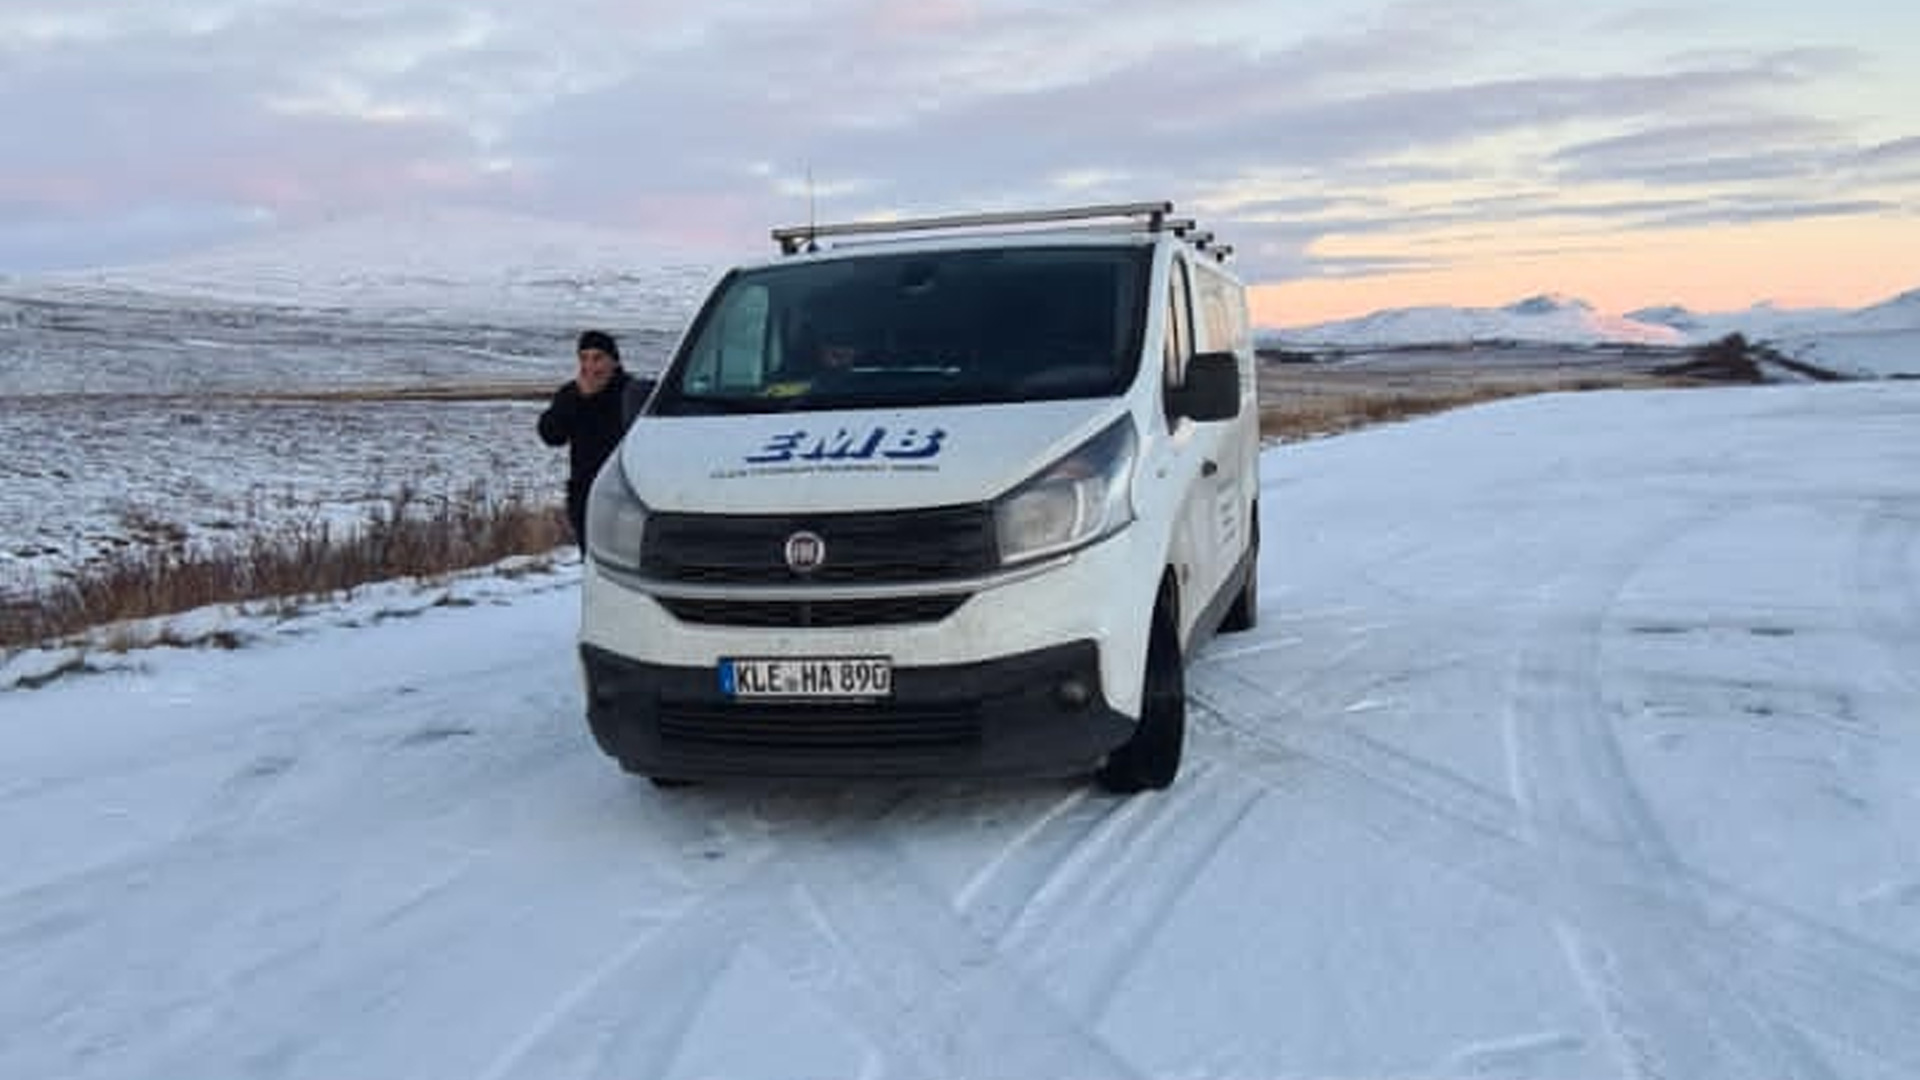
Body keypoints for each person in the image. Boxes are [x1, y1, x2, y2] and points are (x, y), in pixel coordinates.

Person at [538, 329, 642, 553]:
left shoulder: (632, 392)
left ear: (614, 361)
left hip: (625, 495)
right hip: (585, 495)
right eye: (584, 358)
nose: (590, 366)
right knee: (591, 561)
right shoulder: (571, 393)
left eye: (597, 358)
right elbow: (551, 435)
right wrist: (578, 400)